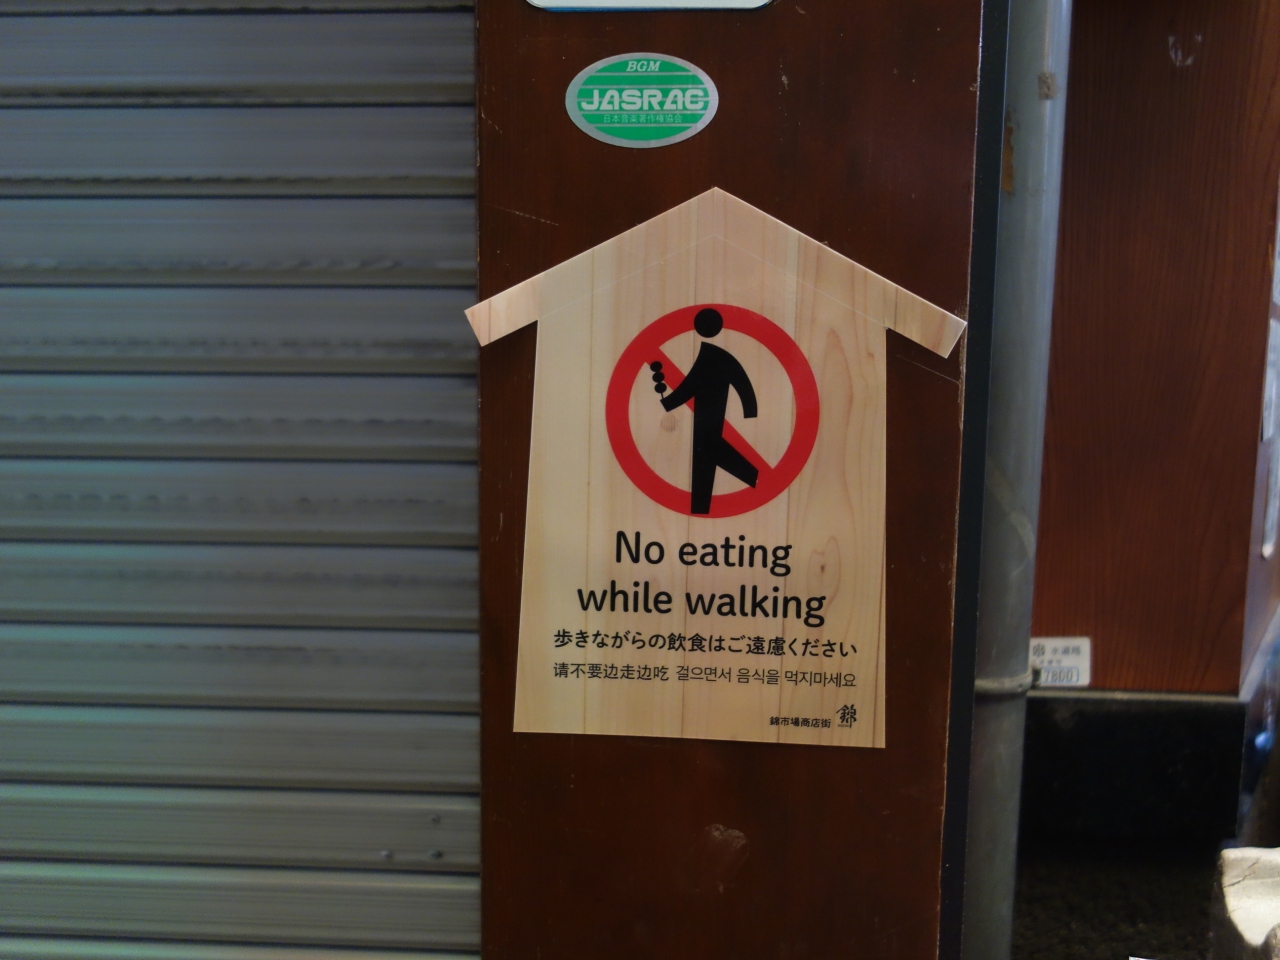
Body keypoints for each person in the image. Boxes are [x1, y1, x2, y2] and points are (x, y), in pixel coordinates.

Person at [654, 308, 758, 514]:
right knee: (708, 451)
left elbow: (690, 387)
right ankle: (756, 478)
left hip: (707, 417)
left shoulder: (709, 357)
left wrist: (668, 403)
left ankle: (754, 477)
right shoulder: (717, 356)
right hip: (706, 417)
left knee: (707, 451)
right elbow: (742, 384)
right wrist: (749, 410)